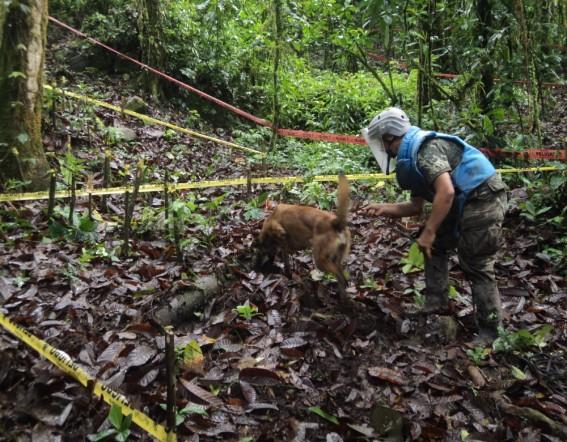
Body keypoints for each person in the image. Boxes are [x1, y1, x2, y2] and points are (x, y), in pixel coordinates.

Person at [361, 107, 508, 342]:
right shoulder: (412, 155)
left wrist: (429, 230)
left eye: (382, 141)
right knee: (434, 245)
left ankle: (491, 334)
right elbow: (414, 206)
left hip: (482, 197)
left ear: (389, 137)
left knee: (476, 263)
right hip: (461, 200)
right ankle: (436, 304)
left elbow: (446, 192)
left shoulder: (425, 150)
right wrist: (383, 208)